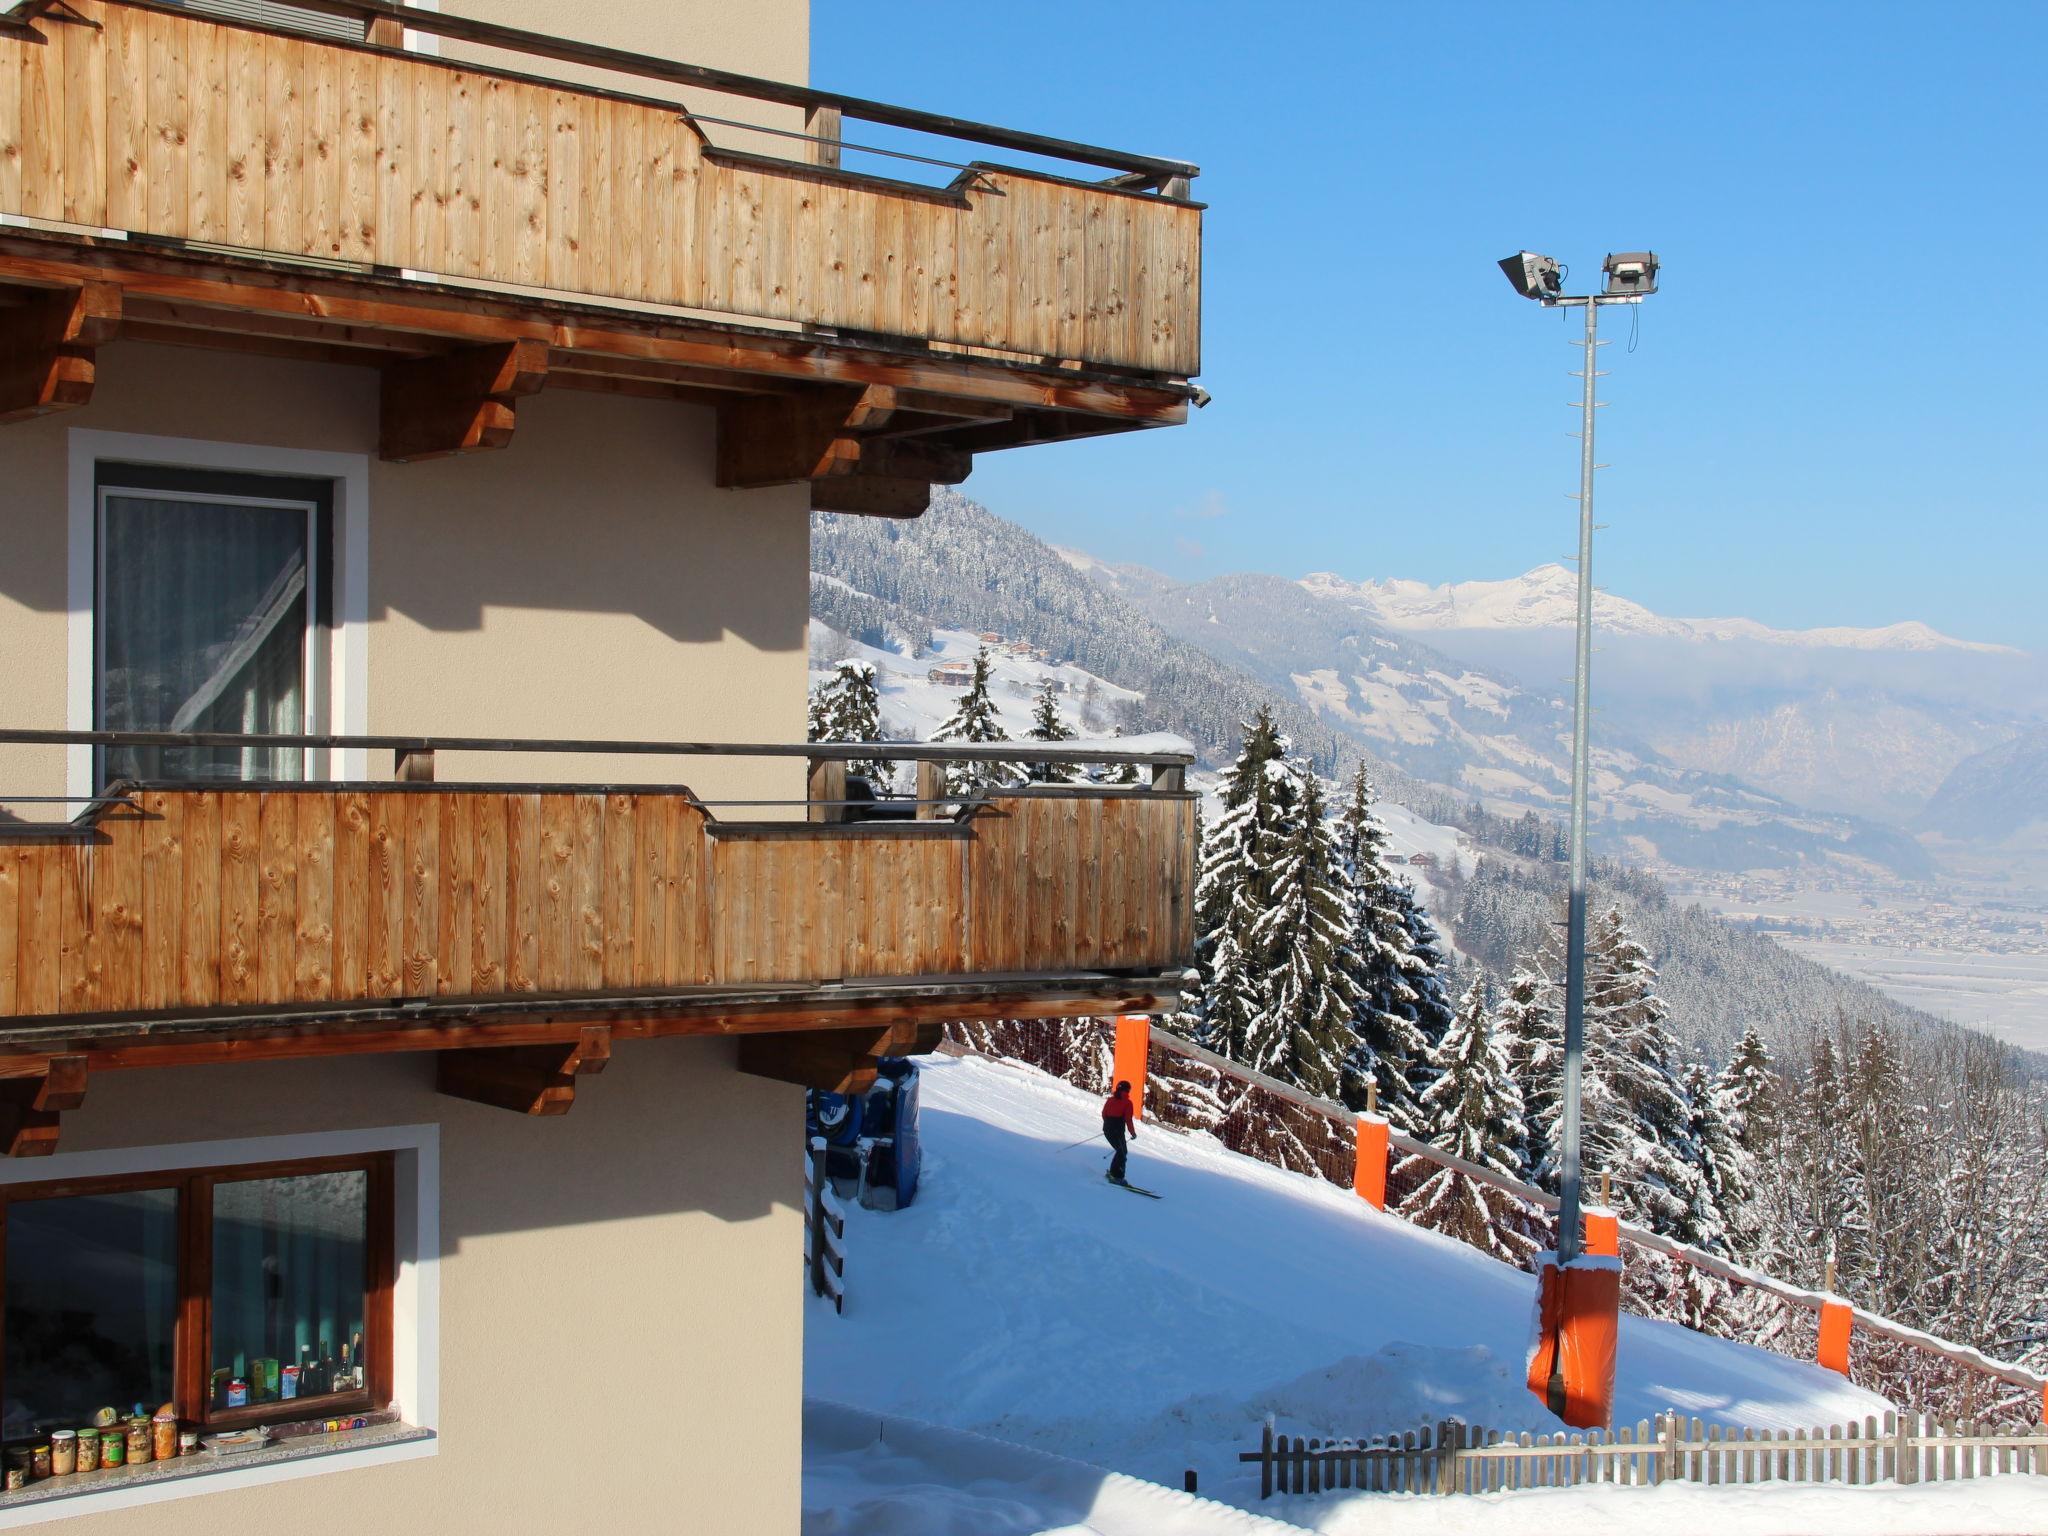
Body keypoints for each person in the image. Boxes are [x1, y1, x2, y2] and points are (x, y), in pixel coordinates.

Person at [1101, 1079, 1138, 1184]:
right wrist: (1133, 1133)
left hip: (1107, 1129)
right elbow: (1128, 1119)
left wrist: (1108, 1125)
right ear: (1128, 1090)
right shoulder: (1127, 1103)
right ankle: (1117, 1177)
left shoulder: (1110, 1100)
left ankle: (1113, 1173)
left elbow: (1104, 1114)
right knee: (1122, 1153)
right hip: (1117, 1131)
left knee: (1120, 1151)